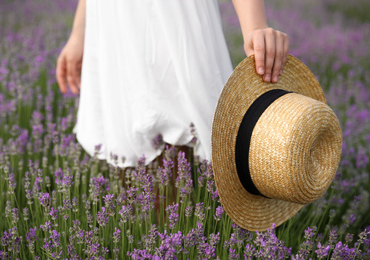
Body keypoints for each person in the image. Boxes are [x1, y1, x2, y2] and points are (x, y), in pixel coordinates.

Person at [56, 0, 289, 168]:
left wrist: (254, 25)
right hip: (112, 29)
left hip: (170, 25)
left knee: (185, 146)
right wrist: (79, 33)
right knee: (129, 156)